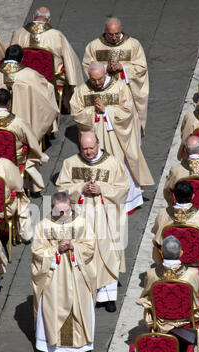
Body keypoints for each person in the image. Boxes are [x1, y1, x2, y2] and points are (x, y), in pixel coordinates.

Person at [56, 131, 129, 312]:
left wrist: (101, 188)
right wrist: (80, 187)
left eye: (91, 148)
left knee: (108, 254)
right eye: (84, 149)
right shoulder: (70, 163)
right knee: (84, 253)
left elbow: (123, 187)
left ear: (98, 144)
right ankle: (86, 294)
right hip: (80, 217)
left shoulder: (112, 163)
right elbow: (61, 187)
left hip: (106, 217)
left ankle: (108, 297)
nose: (88, 152)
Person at [70, 61, 154, 213]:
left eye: (100, 79)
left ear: (106, 74)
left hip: (116, 136)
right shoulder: (82, 90)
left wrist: (107, 111)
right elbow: (76, 111)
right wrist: (94, 113)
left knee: (120, 165)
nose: (97, 83)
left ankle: (127, 202)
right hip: (95, 136)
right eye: (93, 80)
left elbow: (128, 110)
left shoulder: (120, 87)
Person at [31, 191, 96, 352]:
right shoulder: (43, 225)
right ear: (52, 207)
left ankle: (74, 347)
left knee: (76, 305)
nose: (63, 215)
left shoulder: (82, 223)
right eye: (59, 211)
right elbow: (37, 251)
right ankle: (50, 344)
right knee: (53, 306)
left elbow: (90, 247)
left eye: (66, 211)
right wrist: (56, 250)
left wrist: (74, 246)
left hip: (76, 273)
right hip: (54, 274)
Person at [0, 88, 49, 193]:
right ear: (9, 103)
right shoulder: (18, 122)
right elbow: (32, 141)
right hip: (14, 160)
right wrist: (41, 155)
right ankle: (23, 184)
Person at [82, 17, 149, 135]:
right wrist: (104, 69)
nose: (114, 38)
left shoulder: (133, 44)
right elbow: (88, 66)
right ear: (105, 30)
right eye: (110, 34)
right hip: (104, 90)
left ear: (121, 29)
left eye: (117, 34)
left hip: (126, 88)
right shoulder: (94, 46)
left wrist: (122, 68)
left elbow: (141, 67)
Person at [152, 180, 199, 287]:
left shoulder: (163, 214)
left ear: (174, 197)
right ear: (193, 196)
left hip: (171, 256)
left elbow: (156, 232)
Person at [10, 6, 84, 106]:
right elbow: (70, 60)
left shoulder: (18, 33)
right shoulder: (56, 35)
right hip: (51, 79)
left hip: (23, 77)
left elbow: (10, 56)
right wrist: (73, 83)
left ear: (33, 17)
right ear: (49, 20)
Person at [0, 44, 59, 142]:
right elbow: (47, 90)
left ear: (5, 57)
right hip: (25, 117)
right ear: (22, 58)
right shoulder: (31, 74)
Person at [137, 235, 199, 333]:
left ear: (161, 254)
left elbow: (146, 294)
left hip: (160, 317)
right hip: (188, 317)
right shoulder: (193, 274)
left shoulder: (151, 274)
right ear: (181, 253)